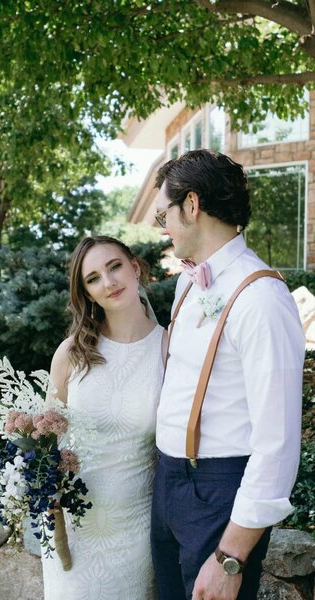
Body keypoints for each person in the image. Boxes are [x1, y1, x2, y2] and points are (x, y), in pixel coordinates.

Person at [151, 149, 305, 600]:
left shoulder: (262, 298)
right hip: (167, 483)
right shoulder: (186, 282)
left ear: (192, 205)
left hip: (218, 493)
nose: (163, 227)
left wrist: (229, 557)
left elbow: (277, 444)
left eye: (165, 214)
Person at [42, 235, 167, 600]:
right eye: (93, 278)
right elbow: (45, 435)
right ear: (87, 293)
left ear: (135, 267)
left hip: (135, 532)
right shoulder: (72, 352)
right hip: (73, 531)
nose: (108, 282)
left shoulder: (168, 349)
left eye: (114, 267)